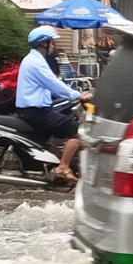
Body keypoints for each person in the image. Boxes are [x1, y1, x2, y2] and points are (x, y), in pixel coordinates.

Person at [16, 25, 86, 183]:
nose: (54, 46)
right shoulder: (36, 63)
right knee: (74, 129)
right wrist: (78, 95)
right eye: (52, 43)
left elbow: (53, 84)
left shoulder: (35, 60)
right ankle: (63, 167)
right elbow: (53, 83)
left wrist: (71, 92)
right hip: (35, 112)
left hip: (33, 110)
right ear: (43, 43)